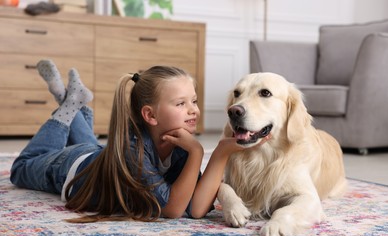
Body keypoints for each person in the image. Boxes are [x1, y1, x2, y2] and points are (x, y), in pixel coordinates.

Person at [10, 60, 267, 223]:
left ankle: (75, 101)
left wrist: (221, 151)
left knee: (98, 149)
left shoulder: (179, 145)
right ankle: (69, 106)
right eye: (181, 103)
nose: (193, 110)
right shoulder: (134, 150)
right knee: (21, 168)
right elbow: (173, 210)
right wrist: (198, 152)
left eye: (194, 101)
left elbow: (197, 209)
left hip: (100, 155)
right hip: (69, 167)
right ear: (150, 115)